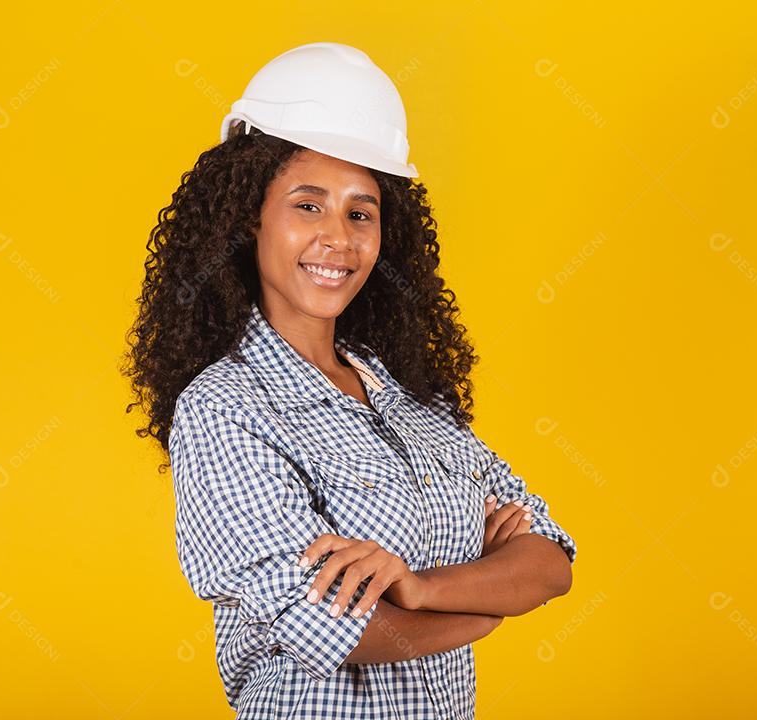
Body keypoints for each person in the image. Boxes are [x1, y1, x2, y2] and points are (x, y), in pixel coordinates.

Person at [123, 42, 577, 719]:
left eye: (360, 212)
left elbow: (551, 561)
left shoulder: (411, 401)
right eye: (308, 205)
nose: (339, 237)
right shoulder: (224, 408)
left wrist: (418, 589)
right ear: (250, 217)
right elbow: (331, 629)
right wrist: (481, 607)